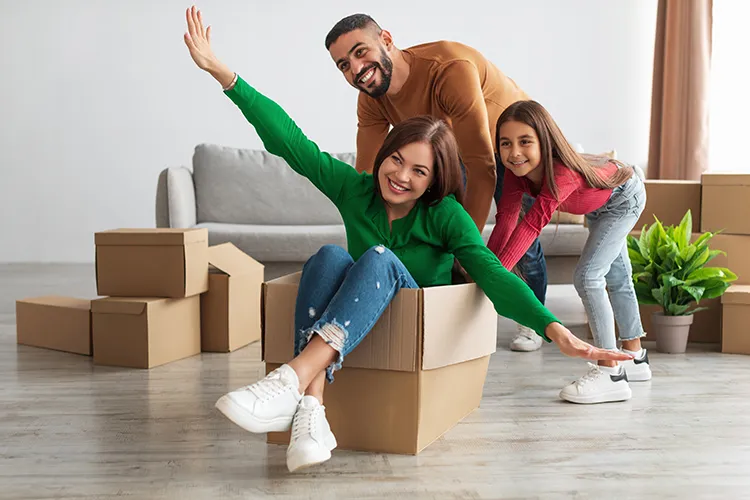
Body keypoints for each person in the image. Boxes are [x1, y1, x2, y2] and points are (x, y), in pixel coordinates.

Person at [182, 6, 632, 471]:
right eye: (395, 160)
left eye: (420, 171)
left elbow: (494, 275)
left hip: (417, 311)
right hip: (361, 312)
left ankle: (290, 379)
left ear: (435, 178)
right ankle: (311, 410)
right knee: (328, 257)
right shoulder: (356, 189)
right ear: (384, 155)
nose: (400, 177)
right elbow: (290, 142)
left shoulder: (445, 215)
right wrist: (224, 74)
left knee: (376, 257)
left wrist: (555, 330)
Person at [325, 14, 547, 352]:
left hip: (508, 146)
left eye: (360, 52)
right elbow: (365, 177)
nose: (355, 69)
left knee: (520, 238)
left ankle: (534, 321)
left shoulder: (448, 70)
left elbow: (483, 164)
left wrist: (461, 247)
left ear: (386, 39)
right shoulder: (371, 96)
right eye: (343, 65)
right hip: (452, 151)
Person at [488, 99, 651, 405]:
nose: (514, 153)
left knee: (588, 277)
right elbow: (507, 220)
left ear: (544, 141)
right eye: (505, 144)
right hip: (600, 206)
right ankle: (634, 356)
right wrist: (489, 270)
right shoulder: (514, 173)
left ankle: (611, 373)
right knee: (617, 278)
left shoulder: (561, 173)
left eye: (525, 142)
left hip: (625, 197)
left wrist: (495, 277)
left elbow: (532, 225)